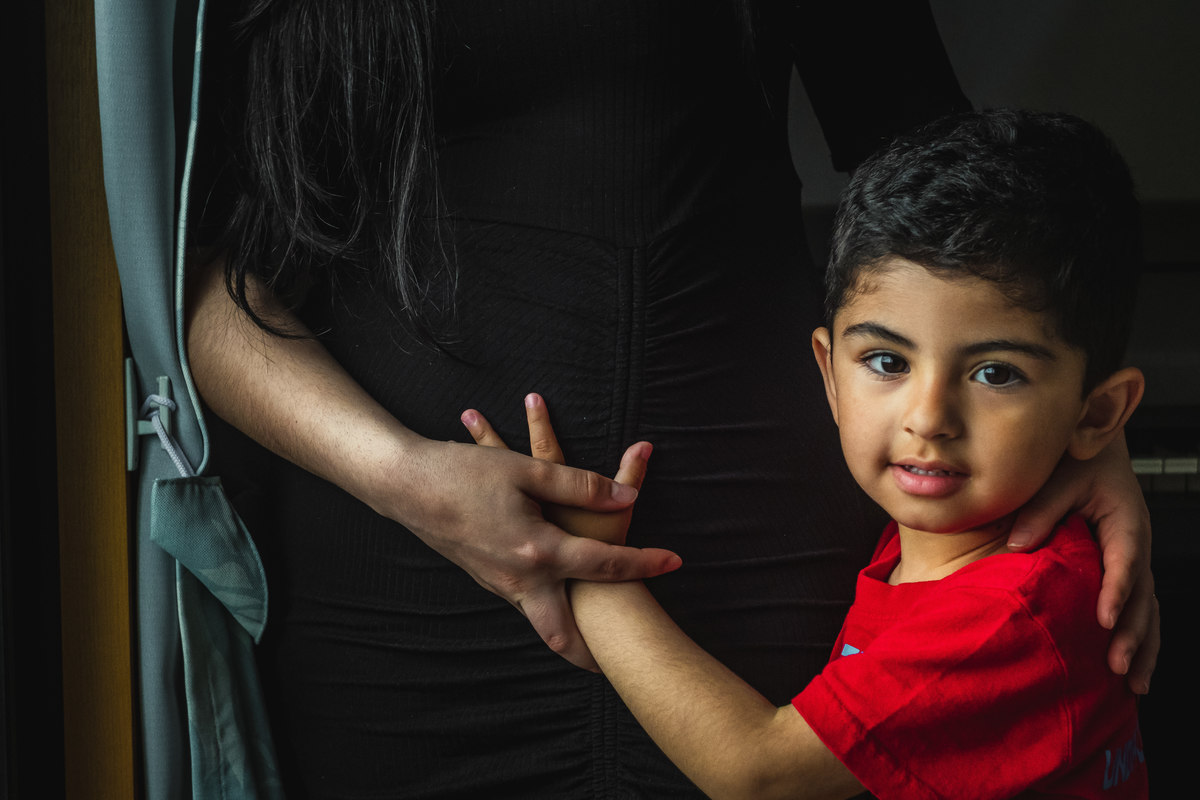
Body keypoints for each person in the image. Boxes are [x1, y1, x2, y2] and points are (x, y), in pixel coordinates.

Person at [185, 2, 1158, 796]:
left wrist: (1077, 436)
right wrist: (400, 476)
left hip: (753, 554)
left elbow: (948, 184)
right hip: (395, 584)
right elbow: (187, 283)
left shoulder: (1013, 574)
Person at [464, 109, 1151, 798]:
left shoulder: (1012, 610)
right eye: (886, 361)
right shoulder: (925, 547)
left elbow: (757, 775)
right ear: (829, 371)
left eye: (995, 373)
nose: (928, 418)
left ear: (1097, 414)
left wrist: (583, 568)